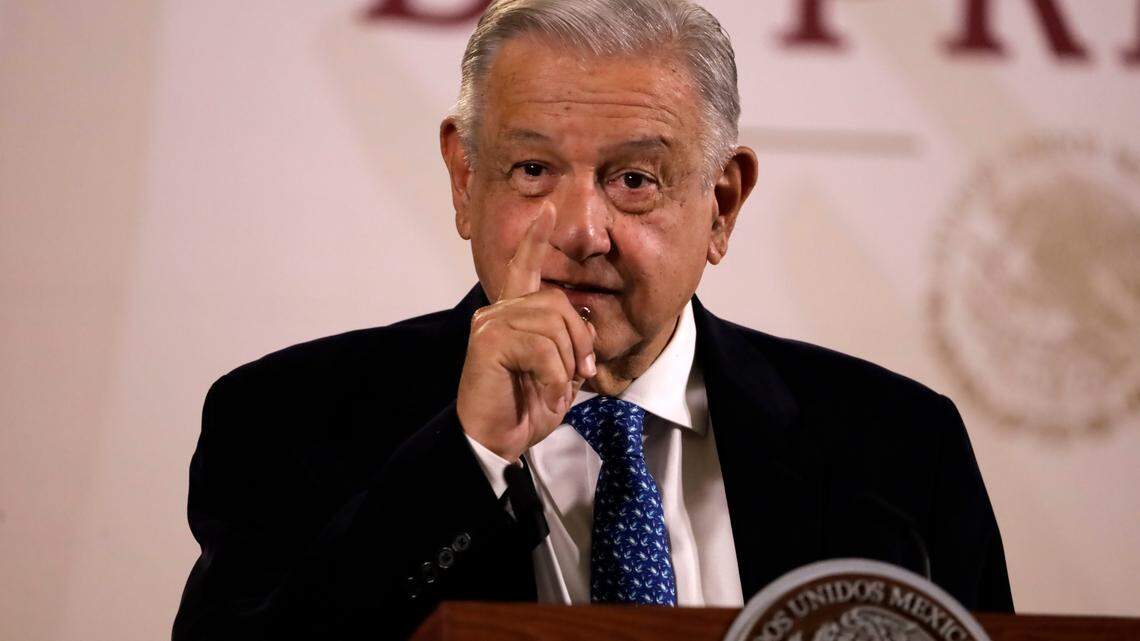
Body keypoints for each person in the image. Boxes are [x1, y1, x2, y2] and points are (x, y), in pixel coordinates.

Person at [173, 0, 1013, 639]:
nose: (579, 230)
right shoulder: (287, 420)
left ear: (721, 204)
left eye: (635, 180)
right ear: (466, 182)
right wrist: (464, 458)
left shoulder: (901, 452)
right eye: (532, 169)